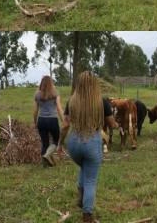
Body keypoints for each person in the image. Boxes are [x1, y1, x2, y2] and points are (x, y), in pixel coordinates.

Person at [57, 72, 118, 223]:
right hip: (92, 143)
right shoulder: (102, 102)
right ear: (95, 84)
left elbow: (65, 125)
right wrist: (117, 124)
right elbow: (111, 124)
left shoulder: (72, 101)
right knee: (91, 180)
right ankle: (87, 217)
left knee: (84, 167)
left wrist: (59, 144)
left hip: (74, 144)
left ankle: (80, 198)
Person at [33, 75, 64, 167]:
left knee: (44, 142)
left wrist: (35, 122)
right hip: (52, 120)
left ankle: (44, 165)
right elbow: (59, 108)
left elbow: (35, 111)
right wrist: (63, 121)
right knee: (56, 141)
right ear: (51, 83)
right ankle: (47, 155)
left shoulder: (37, 94)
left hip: (41, 120)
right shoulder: (55, 93)